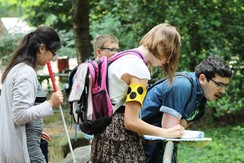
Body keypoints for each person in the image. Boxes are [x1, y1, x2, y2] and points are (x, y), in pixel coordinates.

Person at [91, 23, 185, 162]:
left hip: (103, 136)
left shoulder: (122, 57)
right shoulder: (139, 70)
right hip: (120, 142)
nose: (167, 61)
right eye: (169, 54)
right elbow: (131, 121)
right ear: (160, 44)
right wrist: (166, 133)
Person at [141, 55, 233, 163]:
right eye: (219, 84)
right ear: (202, 78)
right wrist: (179, 127)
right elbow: (170, 130)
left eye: (225, 86)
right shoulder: (182, 85)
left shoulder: (202, 94)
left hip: (161, 144)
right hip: (142, 143)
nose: (223, 91)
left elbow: (181, 126)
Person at [0, 25, 64, 163]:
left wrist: (34, 130)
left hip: (24, 141)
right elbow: (19, 115)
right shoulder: (25, 73)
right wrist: (50, 104)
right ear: (42, 48)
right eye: (53, 52)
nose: (53, 58)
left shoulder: (16, 69)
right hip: (26, 151)